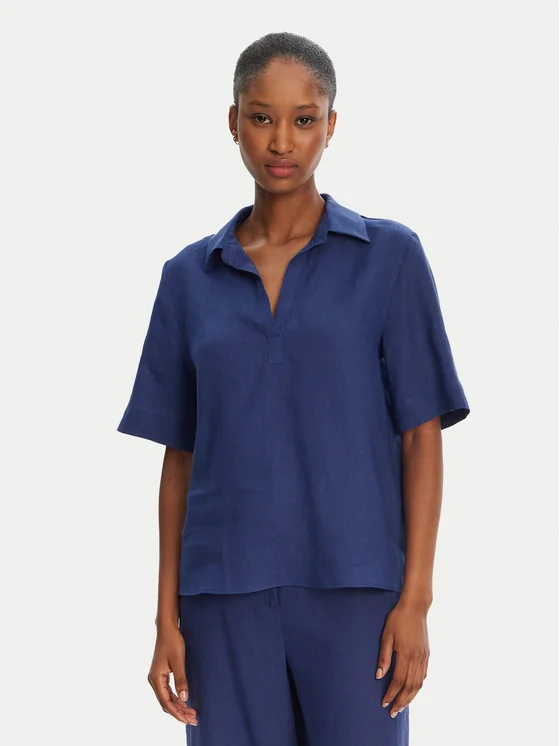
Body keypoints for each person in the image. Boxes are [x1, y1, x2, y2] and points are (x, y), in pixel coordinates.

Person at [117, 31, 470, 746]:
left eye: (304, 119)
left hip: (357, 592)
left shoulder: (390, 258)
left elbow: (421, 437)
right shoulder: (188, 279)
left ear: (331, 125)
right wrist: (165, 618)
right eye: (261, 117)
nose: (282, 141)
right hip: (222, 595)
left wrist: (417, 602)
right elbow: (180, 457)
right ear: (233, 122)